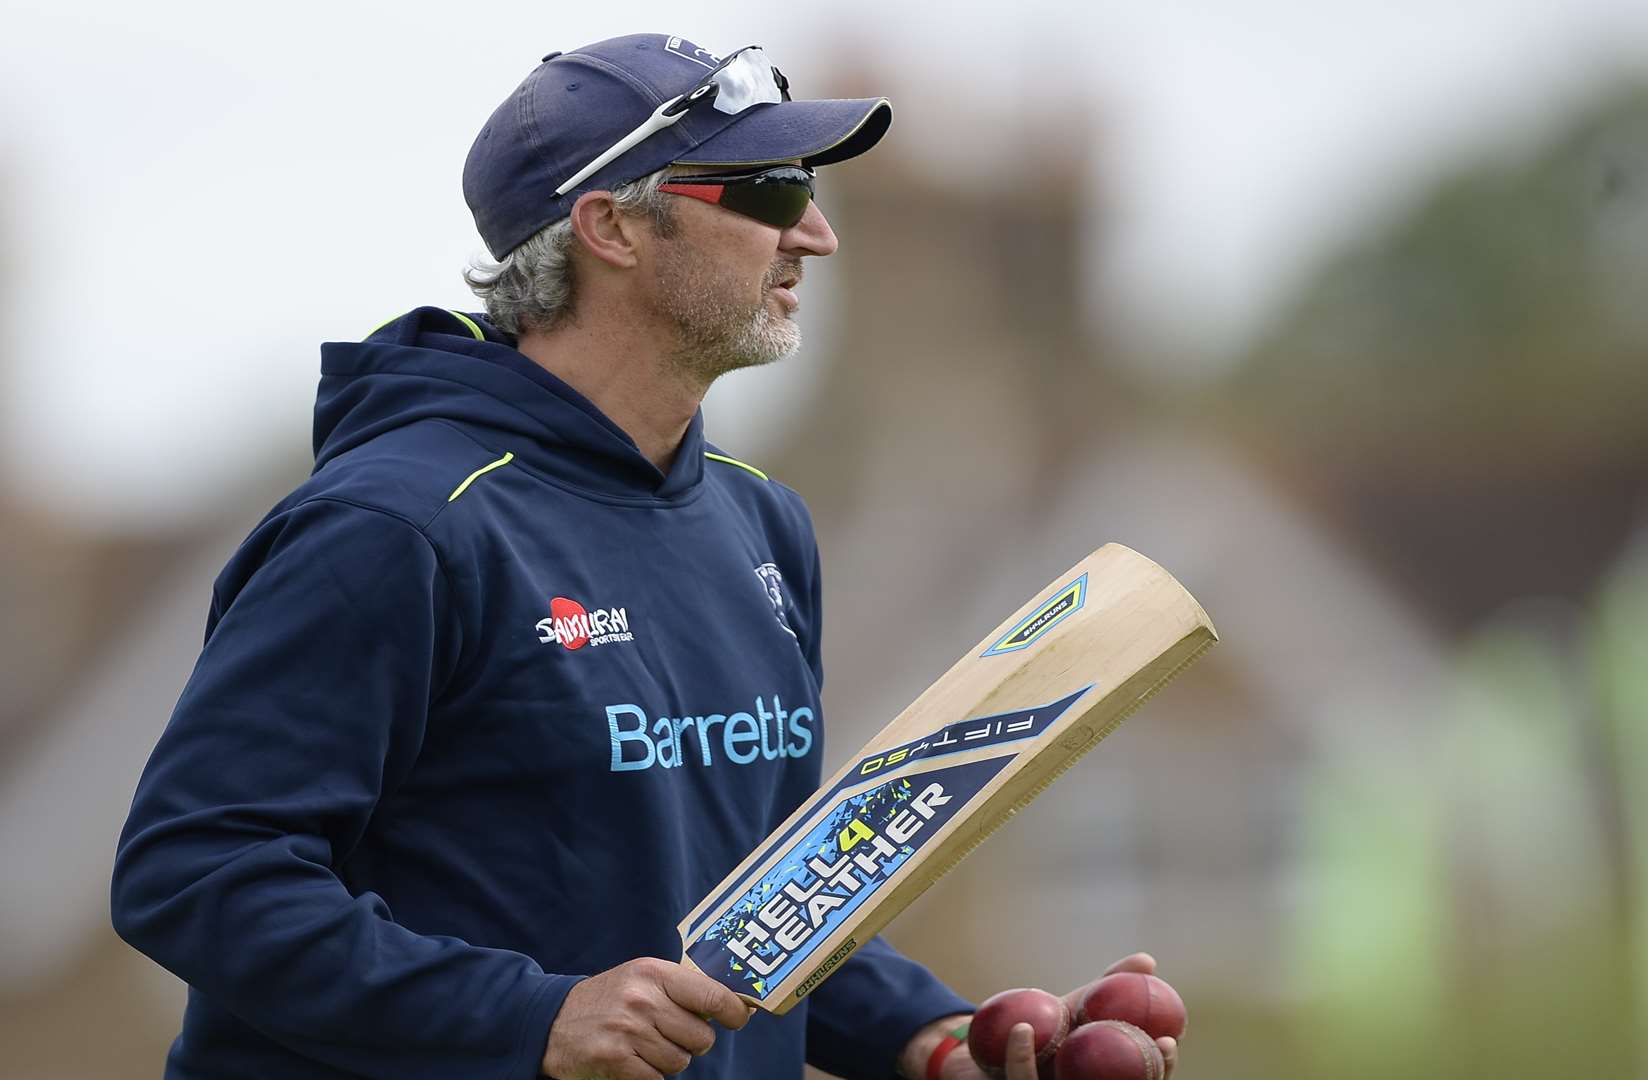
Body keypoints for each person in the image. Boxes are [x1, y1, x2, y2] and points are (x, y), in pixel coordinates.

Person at [110, 32, 1183, 1080]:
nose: (813, 232)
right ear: (611, 227)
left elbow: (753, 909)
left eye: (806, 187)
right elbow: (196, 873)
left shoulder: (765, 523)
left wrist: (929, 1033)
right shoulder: (398, 529)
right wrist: (534, 1019)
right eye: (764, 191)